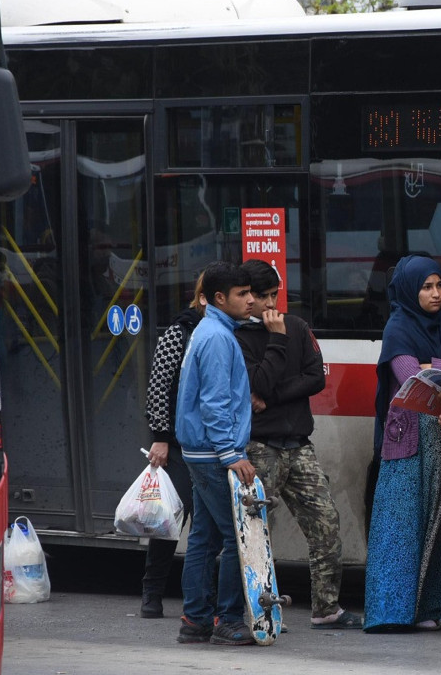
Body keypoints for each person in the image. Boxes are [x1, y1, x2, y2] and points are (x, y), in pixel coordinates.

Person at [235, 259, 362, 630]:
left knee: (325, 522)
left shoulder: (297, 325)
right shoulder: (240, 336)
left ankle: (326, 607)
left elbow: (314, 378)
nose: (271, 303)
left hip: (298, 442)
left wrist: (272, 399)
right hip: (260, 445)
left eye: (275, 294)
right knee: (257, 531)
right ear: (247, 298)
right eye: (262, 297)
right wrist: (275, 339)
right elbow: (258, 381)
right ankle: (259, 610)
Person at [365, 255, 441, 632]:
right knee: (402, 527)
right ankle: (393, 612)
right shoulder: (397, 329)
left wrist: (436, 365)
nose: (435, 294)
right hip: (408, 446)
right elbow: (412, 379)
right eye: (426, 287)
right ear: (410, 291)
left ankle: (431, 607)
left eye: (439, 285)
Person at [174, 261, 257, 646]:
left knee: (204, 539)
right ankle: (228, 618)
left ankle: (195, 620)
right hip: (213, 453)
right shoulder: (218, 338)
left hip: (200, 451)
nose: (251, 300)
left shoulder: (209, 329)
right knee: (237, 536)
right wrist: (230, 453)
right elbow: (214, 403)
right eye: (242, 294)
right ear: (220, 298)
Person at [138, 275, 204, 618]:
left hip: (210, 444)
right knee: (169, 520)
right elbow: (158, 387)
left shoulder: (227, 333)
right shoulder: (178, 333)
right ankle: (152, 593)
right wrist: (160, 437)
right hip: (177, 445)